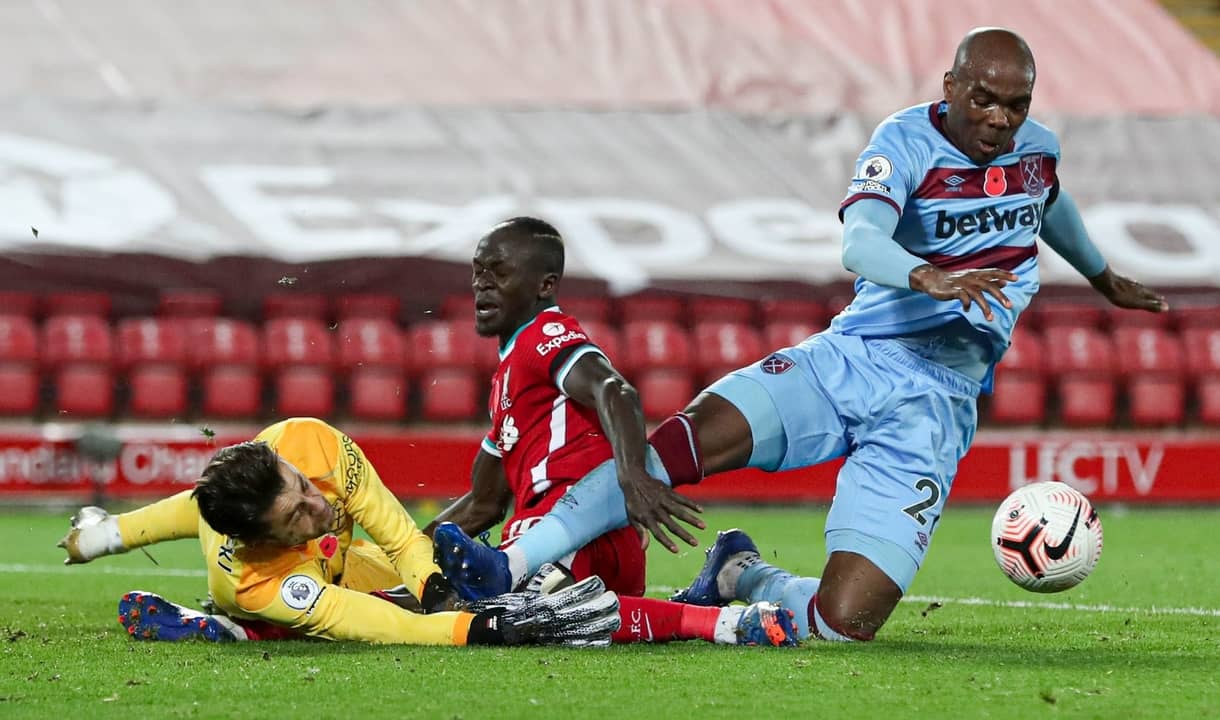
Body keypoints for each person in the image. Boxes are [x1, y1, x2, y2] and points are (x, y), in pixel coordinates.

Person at [435, 28, 1168, 643]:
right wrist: (927, 278)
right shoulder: (905, 141)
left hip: (936, 404)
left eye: (1016, 105)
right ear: (950, 85)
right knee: (677, 445)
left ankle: (741, 574)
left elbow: (1049, 202)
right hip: (853, 358)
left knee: (845, 624)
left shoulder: (1035, 152)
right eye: (984, 99)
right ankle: (512, 564)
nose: (1001, 119)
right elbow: (860, 241)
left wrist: (1104, 278)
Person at [427, 216, 798, 647]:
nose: (482, 284)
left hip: (563, 533)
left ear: (544, 286)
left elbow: (614, 389)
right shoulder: (507, 379)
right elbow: (483, 503)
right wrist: (404, 552)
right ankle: (706, 594)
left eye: (499, 271)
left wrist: (633, 477)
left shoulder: (543, 334)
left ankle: (730, 626)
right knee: (468, 604)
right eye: (478, 271)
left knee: (505, 615)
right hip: (599, 548)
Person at [57, 416, 619, 646]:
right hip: (277, 592)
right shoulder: (257, 576)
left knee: (435, 579)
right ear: (263, 538)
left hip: (341, 560)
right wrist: (473, 632)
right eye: (295, 516)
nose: (316, 504)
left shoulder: (310, 442)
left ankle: (104, 537)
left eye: (301, 485)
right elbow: (370, 622)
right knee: (333, 620)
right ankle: (232, 626)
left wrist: (435, 588)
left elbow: (396, 532)